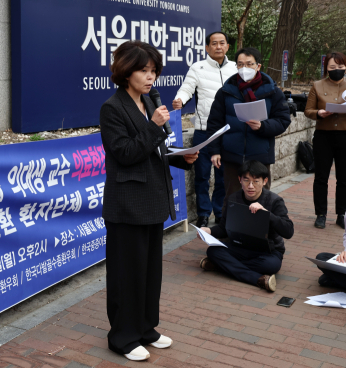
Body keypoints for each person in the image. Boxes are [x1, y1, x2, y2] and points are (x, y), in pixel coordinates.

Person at [100, 41, 198, 361]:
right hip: (127, 204)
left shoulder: (147, 103)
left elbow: (156, 150)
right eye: (143, 70)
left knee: (149, 271)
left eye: (154, 70)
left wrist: (185, 159)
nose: (150, 76)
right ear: (126, 71)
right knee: (126, 273)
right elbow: (126, 154)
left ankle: (145, 328)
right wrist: (154, 127)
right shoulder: (113, 108)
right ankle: (122, 337)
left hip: (152, 200)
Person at [206, 47, 291, 207]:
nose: (244, 69)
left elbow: (283, 120)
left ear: (258, 66)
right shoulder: (226, 91)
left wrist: (262, 126)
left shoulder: (272, 91)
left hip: (260, 154)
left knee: (260, 199)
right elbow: (214, 123)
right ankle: (231, 231)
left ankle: (259, 232)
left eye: (249, 64)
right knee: (232, 198)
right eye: (240, 64)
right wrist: (215, 151)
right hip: (232, 154)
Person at [199, 160, 294, 292]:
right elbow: (223, 229)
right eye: (246, 180)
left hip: (268, 252)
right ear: (239, 180)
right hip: (240, 247)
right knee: (213, 251)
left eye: (256, 181)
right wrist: (208, 231)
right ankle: (257, 279)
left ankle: (222, 266)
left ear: (264, 181)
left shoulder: (274, 201)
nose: (250, 186)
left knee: (271, 266)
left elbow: (288, 231)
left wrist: (267, 214)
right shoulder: (233, 199)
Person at [173, 31, 236, 227]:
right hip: (204, 131)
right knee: (201, 175)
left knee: (222, 176)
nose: (218, 46)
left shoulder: (235, 68)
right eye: (214, 43)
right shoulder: (197, 68)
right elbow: (187, 88)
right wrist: (180, 100)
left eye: (222, 43)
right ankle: (202, 214)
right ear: (207, 48)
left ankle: (219, 212)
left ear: (227, 46)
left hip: (228, 131)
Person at [304, 52, 346, 229]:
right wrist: (319, 113)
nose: (337, 70)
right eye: (332, 67)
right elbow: (308, 110)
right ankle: (320, 214)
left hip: (345, 135)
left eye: (340, 67)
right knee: (321, 177)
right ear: (326, 69)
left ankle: (342, 214)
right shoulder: (318, 85)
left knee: (344, 178)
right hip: (323, 136)